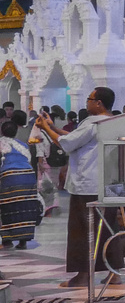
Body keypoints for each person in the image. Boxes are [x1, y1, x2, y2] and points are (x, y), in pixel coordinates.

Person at [32, 86, 117, 288]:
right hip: (108, 183)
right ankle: (115, 273)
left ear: (98, 103)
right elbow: (76, 138)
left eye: (89, 98)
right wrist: (52, 127)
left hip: (87, 185)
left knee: (82, 230)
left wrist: (45, 128)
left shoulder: (93, 123)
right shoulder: (111, 122)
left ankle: (83, 275)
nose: (86, 102)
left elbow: (65, 144)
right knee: (108, 228)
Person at [0, 120, 41, 248]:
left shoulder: (1, 144)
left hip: (9, 177)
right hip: (28, 176)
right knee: (25, 208)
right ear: (16, 132)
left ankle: (7, 240)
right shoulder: (22, 145)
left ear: (1, 131)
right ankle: (23, 241)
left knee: (7, 208)